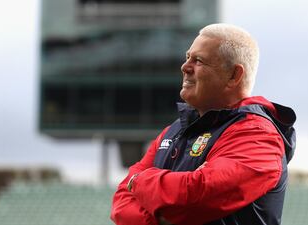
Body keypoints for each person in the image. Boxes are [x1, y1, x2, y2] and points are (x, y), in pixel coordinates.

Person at [110, 23, 296, 225]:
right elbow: (121, 205)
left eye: (198, 61)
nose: (185, 67)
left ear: (234, 76)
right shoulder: (173, 131)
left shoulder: (258, 135)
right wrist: (162, 216)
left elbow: (196, 196)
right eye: (187, 57)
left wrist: (139, 181)